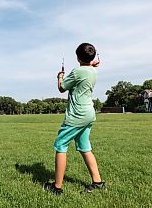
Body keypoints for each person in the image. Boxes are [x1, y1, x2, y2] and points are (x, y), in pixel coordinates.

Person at [43, 43, 105, 195]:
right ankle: (97, 182)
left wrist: (59, 77)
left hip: (76, 115)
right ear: (93, 57)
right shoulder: (93, 71)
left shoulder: (78, 71)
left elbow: (62, 88)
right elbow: (88, 68)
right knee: (84, 146)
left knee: (60, 145)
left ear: (77, 57)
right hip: (89, 113)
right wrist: (91, 64)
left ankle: (57, 187)